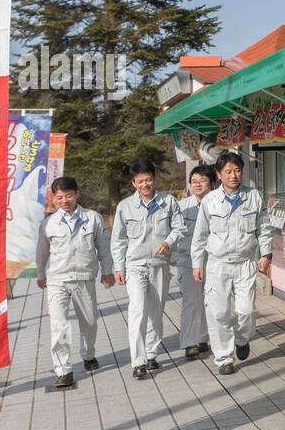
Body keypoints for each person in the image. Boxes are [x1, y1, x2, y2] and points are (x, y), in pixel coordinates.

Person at [191, 152, 273, 375]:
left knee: (246, 311)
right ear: (218, 175)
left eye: (237, 170)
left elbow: (263, 228)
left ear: (242, 172)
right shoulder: (210, 201)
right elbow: (200, 236)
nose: (233, 175)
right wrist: (197, 264)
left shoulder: (253, 196)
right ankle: (224, 358)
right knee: (219, 313)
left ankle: (242, 338)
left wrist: (265, 254)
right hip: (217, 264)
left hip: (245, 263)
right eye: (228, 171)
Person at [35, 176, 115, 389]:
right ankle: (63, 370)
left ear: (77, 194)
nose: (64, 200)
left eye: (68, 195)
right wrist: (40, 274)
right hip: (57, 279)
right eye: (59, 197)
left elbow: (104, 247)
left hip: (83, 277)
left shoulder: (92, 218)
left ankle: (88, 355)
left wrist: (108, 271)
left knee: (89, 321)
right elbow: (42, 251)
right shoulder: (48, 223)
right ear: (54, 199)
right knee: (58, 325)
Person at [111, 159, 185, 379]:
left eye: (148, 180)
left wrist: (169, 241)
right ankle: (138, 361)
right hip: (135, 265)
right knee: (137, 310)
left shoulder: (169, 202)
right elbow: (118, 240)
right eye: (140, 181)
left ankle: (151, 353)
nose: (145, 184)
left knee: (155, 311)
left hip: (159, 265)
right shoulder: (125, 207)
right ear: (133, 183)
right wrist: (119, 267)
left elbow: (180, 228)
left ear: (154, 179)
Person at [174, 164, 216, 360]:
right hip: (188, 261)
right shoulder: (182, 206)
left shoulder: (218, 203)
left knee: (210, 302)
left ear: (212, 182)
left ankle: (203, 338)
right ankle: (190, 342)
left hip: (213, 261)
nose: (198, 184)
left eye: (203, 180)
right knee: (191, 301)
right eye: (194, 181)